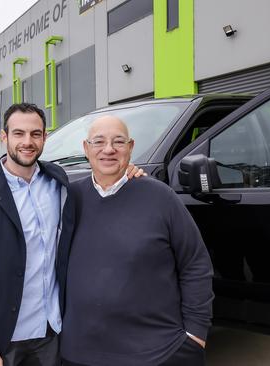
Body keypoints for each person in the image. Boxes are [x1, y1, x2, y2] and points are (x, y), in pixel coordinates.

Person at [0, 104, 142, 366]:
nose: (27, 142)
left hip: (53, 331)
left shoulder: (59, 182)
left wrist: (128, 172)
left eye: (36, 134)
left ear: (44, 138)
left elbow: (103, 183)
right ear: (4, 137)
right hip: (5, 337)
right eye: (19, 134)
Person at [61, 115, 214, 366]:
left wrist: (195, 334)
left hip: (158, 353)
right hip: (79, 354)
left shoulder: (160, 197)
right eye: (98, 141)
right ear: (86, 149)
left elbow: (195, 264)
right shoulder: (67, 198)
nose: (108, 149)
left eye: (118, 142)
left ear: (130, 148)